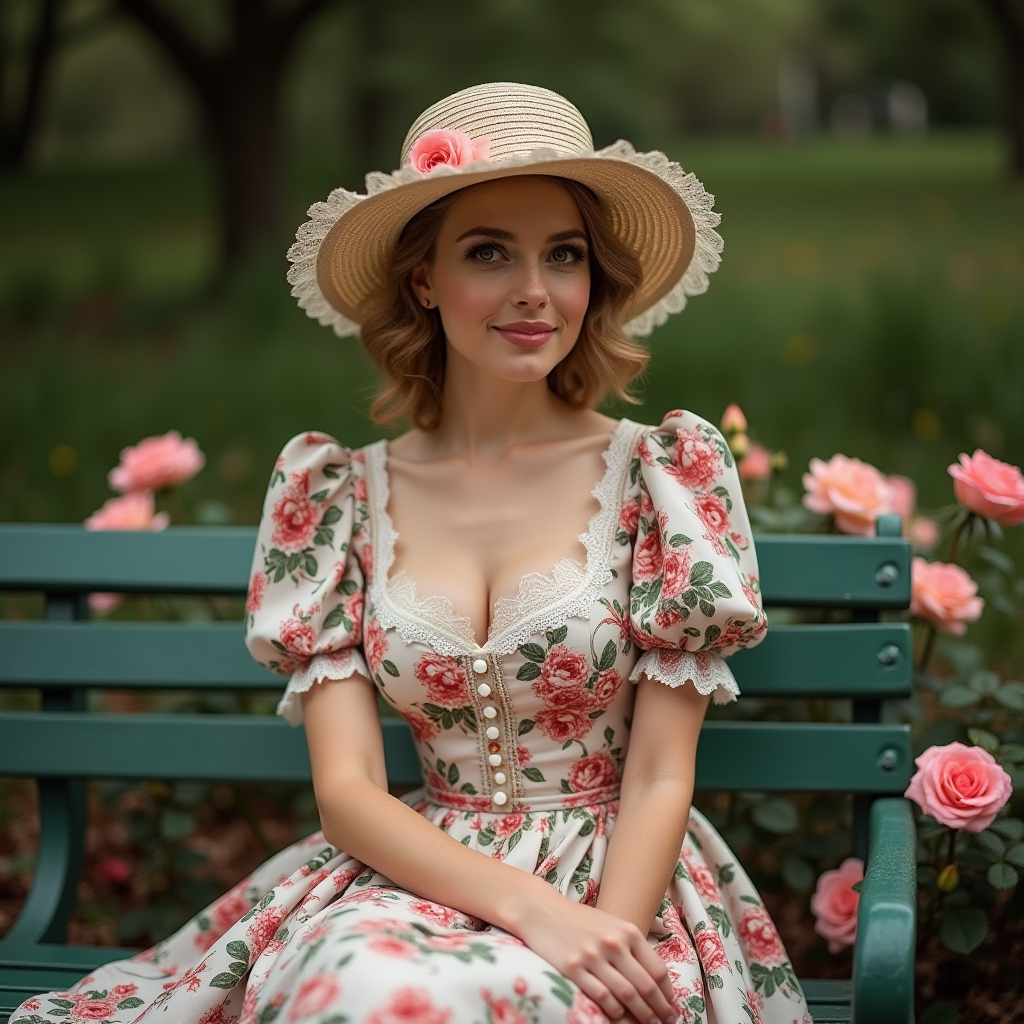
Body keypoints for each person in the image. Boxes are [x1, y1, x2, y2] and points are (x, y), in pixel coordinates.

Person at [9, 82, 810, 1024]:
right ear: (423, 279)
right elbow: (347, 790)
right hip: (412, 879)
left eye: (564, 255)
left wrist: (600, 941)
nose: (533, 291)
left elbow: (663, 773)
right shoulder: (338, 495)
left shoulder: (660, 477)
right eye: (487, 253)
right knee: (369, 990)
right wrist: (529, 911)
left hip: (622, 889)